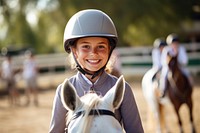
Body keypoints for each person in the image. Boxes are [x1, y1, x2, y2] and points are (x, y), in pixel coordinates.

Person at [49, 9, 144, 133]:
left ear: (109, 50)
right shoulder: (63, 91)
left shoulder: (123, 89)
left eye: (101, 46)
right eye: (85, 46)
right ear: (74, 51)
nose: (93, 53)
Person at [160, 33, 191, 97]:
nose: (175, 45)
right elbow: (163, 61)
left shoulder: (181, 49)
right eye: (173, 43)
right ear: (170, 44)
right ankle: (163, 90)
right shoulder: (166, 50)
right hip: (169, 68)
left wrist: (179, 61)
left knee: (188, 74)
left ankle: (190, 89)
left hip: (179, 67)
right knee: (164, 76)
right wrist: (169, 64)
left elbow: (185, 60)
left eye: (176, 43)